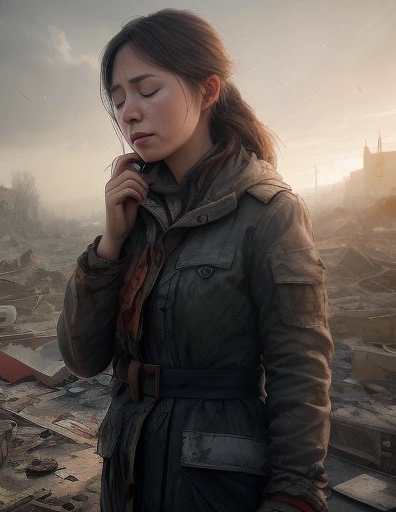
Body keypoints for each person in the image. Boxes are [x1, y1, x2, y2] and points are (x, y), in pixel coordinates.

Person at [57, 8, 333, 512]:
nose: (129, 113)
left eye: (146, 90)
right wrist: (110, 245)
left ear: (207, 91)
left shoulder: (269, 212)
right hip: (128, 477)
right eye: (118, 101)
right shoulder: (135, 210)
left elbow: (301, 370)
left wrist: (295, 494)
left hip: (216, 486)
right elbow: (82, 359)